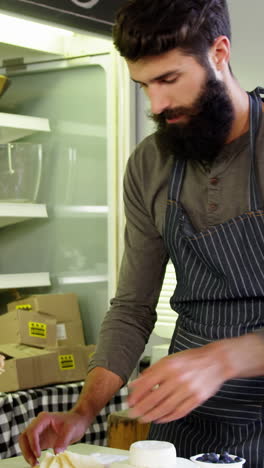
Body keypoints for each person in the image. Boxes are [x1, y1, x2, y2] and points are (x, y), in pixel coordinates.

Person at [19, 0, 264, 466]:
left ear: (219, 52)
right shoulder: (152, 164)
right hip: (181, 429)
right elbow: (132, 308)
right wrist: (83, 411)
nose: (156, 105)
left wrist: (222, 360)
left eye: (168, 80)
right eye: (143, 85)